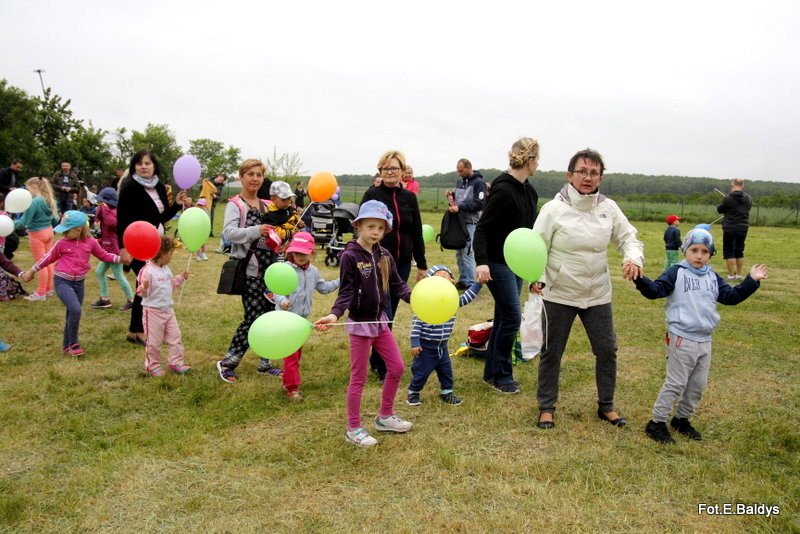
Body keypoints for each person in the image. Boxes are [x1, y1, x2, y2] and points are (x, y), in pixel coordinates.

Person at [532, 148, 644, 429]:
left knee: (607, 350)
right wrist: (536, 276)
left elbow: (628, 237)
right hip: (558, 292)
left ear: (600, 178)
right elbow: (536, 248)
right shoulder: (553, 209)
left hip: (597, 294)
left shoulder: (608, 208)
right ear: (570, 175)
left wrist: (632, 258)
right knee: (551, 351)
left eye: (593, 173)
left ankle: (606, 406)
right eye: (582, 171)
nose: (587, 177)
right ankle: (547, 407)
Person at [633, 228, 767, 443]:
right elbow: (655, 291)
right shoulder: (676, 272)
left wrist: (751, 280)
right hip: (681, 338)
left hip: (705, 340)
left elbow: (731, 297)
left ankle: (681, 419)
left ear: (710, 254)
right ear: (685, 250)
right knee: (676, 383)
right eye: (694, 250)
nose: (699, 255)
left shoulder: (712, 276)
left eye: (705, 251)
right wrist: (640, 278)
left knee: (697, 385)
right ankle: (656, 423)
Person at [314, 200, 414, 448]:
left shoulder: (385, 255)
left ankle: (385, 416)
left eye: (380, 228)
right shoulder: (349, 256)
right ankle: (354, 427)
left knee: (397, 367)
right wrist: (334, 315)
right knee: (358, 377)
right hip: (360, 324)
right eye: (371, 226)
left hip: (380, 322)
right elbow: (346, 292)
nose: (376, 232)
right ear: (358, 226)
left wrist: (420, 300)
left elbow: (398, 286)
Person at [473, 138, 540, 394]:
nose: (538, 165)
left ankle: (491, 374)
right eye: (537, 160)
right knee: (512, 317)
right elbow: (483, 228)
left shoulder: (529, 192)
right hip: (498, 263)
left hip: (518, 263)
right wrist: (482, 262)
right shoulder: (503, 190)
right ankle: (502, 376)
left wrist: (534, 270)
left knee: (503, 318)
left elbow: (530, 233)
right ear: (530, 160)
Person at [21, 211, 130, 356]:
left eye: (67, 231)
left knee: (72, 312)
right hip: (62, 282)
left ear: (78, 230)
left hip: (79, 283)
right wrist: (32, 271)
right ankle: (73, 343)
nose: (64, 234)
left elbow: (104, 255)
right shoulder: (61, 243)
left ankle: (66, 346)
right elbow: (47, 258)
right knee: (76, 309)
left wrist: (120, 259)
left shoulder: (90, 242)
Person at [361, 150, 427, 382]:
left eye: (394, 168)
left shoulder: (409, 198)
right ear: (380, 171)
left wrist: (421, 263)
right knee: (384, 311)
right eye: (385, 169)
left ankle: (377, 358)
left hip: (402, 263)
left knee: (391, 313)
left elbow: (416, 230)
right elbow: (361, 228)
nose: (390, 173)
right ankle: (382, 365)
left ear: (402, 171)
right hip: (379, 261)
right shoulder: (372, 194)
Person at [216, 159, 283, 383]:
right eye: (250, 174)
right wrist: (256, 230)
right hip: (250, 270)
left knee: (271, 316)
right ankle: (228, 362)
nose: (255, 178)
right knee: (253, 317)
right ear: (241, 177)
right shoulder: (236, 204)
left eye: (259, 175)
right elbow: (229, 233)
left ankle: (265, 363)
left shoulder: (267, 204)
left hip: (271, 271)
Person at [117, 149, 191, 346]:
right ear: (134, 166)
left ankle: (133, 331)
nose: (144, 167)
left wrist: (176, 205)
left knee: (144, 287)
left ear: (154, 166)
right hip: (136, 242)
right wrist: (122, 247)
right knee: (147, 286)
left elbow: (161, 217)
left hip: (155, 242)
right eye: (140, 163)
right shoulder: (130, 186)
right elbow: (122, 217)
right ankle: (140, 331)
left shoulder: (158, 186)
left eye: (148, 163)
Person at [272, 232, 339, 400]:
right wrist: (282, 301)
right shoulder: (285, 269)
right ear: (291, 252)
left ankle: (288, 380)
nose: (300, 257)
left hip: (301, 321)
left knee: (295, 354)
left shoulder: (313, 271)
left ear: (312, 252)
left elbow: (324, 288)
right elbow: (276, 290)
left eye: (304, 253)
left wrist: (342, 279)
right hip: (286, 319)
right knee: (292, 354)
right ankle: (292, 389)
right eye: (297, 253)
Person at [407, 265, 482, 407]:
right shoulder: (425, 303)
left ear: (452, 281)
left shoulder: (451, 301)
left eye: (445, 274)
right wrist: (415, 343)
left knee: (446, 372)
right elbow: (416, 326)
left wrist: (478, 284)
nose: (441, 276)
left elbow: (467, 297)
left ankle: (446, 392)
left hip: (442, 347)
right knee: (421, 372)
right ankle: (413, 393)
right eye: (437, 274)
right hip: (426, 347)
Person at [137, 236, 191, 377]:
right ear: (162, 253)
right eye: (171, 253)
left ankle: (175, 362)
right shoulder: (147, 270)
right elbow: (140, 292)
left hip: (168, 310)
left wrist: (180, 278)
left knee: (175, 337)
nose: (171, 257)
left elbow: (170, 285)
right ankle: (152, 366)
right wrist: (144, 287)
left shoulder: (166, 269)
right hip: (152, 312)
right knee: (154, 342)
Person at [15, 177, 60, 301]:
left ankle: (41, 293)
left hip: (37, 234)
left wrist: (9, 224)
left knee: (40, 264)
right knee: (47, 261)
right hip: (49, 232)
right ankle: (48, 289)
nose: (28, 191)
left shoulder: (34, 202)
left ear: (35, 187)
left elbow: (24, 221)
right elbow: (56, 219)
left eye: (28, 188)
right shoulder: (50, 200)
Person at [91, 188, 134, 311]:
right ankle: (105, 299)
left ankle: (131, 300)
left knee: (119, 275)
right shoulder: (105, 210)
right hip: (107, 248)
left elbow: (111, 223)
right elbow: (97, 218)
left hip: (115, 249)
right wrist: (101, 208)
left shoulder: (115, 212)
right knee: (99, 272)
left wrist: (104, 209)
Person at [449, 158, 487, 290]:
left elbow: (479, 204)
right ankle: (463, 279)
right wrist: (451, 197)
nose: (459, 173)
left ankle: (471, 282)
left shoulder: (479, 183)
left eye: (461, 170)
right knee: (459, 252)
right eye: (458, 171)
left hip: (471, 223)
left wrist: (460, 207)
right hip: (459, 222)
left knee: (467, 252)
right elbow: (457, 200)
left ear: (469, 167)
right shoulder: (459, 182)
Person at [716, 178, 752, 281]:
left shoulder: (728, 198)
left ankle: (731, 275)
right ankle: (739, 274)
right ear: (742, 185)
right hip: (743, 227)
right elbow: (747, 208)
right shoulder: (748, 198)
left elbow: (720, 209)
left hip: (730, 227)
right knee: (740, 251)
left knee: (729, 252)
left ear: (733, 185)